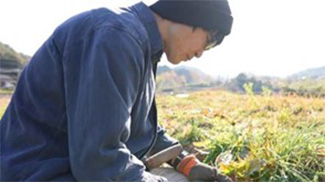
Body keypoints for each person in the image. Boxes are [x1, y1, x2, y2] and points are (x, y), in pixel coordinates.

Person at [0, 0, 233, 181]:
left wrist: (185, 162)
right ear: (192, 15)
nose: (202, 52)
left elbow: (142, 129)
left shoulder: (138, 43)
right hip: (37, 172)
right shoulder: (117, 37)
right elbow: (98, 161)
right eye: (209, 41)